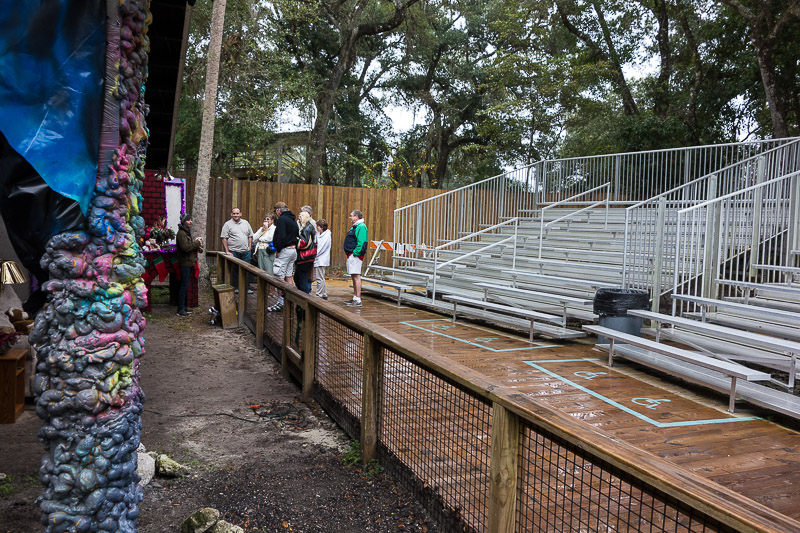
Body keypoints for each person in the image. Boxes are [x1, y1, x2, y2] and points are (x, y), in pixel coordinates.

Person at [268, 202, 299, 312]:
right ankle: (290, 302)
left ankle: (281, 303)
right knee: (288, 277)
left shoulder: (282, 219)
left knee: (279, 277)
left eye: (276, 211)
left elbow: (281, 236)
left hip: (284, 251)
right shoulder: (293, 220)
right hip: (293, 250)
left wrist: (278, 249)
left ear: (278, 210)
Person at [220, 207, 254, 294]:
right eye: (234, 213)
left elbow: (250, 235)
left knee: (246, 269)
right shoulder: (227, 224)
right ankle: (236, 287)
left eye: (237, 213)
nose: (236, 215)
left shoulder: (246, 223)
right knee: (234, 270)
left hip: (245, 251)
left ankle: (247, 287)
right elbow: (224, 238)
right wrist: (227, 251)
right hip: (233, 251)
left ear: (240, 214)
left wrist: (249, 247)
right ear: (231, 214)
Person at [176, 213, 203, 316]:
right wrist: (196, 243)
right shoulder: (181, 233)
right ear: (183, 222)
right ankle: (180, 309)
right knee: (184, 286)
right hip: (185, 264)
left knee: (186, 285)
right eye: (188, 220)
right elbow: (185, 248)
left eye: (191, 220)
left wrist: (198, 246)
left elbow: (190, 246)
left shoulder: (187, 232)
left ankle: (183, 307)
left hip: (189, 263)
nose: (190, 221)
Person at [343, 209, 368, 307]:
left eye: (351, 216)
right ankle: (355, 297)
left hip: (356, 256)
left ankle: (358, 299)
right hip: (352, 255)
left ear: (356, 217)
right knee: (353, 276)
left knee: (356, 276)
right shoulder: (356, 226)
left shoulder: (361, 227)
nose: (350, 217)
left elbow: (362, 242)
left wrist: (355, 253)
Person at [294, 210, 316, 294]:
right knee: (298, 278)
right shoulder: (309, 227)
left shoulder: (307, 228)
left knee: (301, 279)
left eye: (300, 217)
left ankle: (304, 298)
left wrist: (295, 239)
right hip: (308, 257)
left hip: (304, 258)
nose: (299, 219)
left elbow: (303, 243)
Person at [314, 219, 331, 299]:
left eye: (318, 226)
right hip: (319, 258)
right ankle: (324, 293)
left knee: (319, 278)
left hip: (321, 259)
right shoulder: (319, 234)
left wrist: (314, 255)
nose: (317, 227)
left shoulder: (326, 236)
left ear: (321, 227)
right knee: (321, 277)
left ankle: (319, 294)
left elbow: (321, 248)